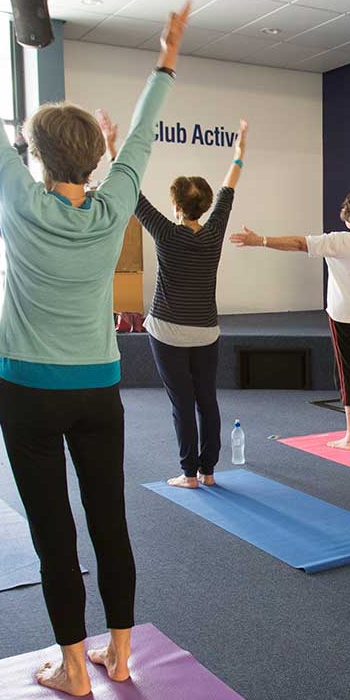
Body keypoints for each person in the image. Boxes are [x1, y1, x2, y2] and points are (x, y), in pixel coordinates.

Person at [0, 0, 183, 696]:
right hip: (98, 389)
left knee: (55, 534)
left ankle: (74, 667)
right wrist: (167, 59)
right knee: (110, 521)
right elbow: (141, 135)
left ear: (37, 158)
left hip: (27, 395)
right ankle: (121, 654)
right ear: (97, 156)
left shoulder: (18, 197)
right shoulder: (113, 208)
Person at [233, 192, 350, 449]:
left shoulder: (338, 241)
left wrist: (261, 240)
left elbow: (298, 243)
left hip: (345, 317)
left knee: (349, 374)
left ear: (348, 217)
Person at [138, 122, 246, 487]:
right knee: (206, 401)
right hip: (205, 332)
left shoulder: (165, 231)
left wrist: (111, 144)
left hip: (167, 331)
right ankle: (208, 471)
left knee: (181, 404)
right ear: (204, 206)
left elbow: (131, 191)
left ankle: (188, 474)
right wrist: (239, 151)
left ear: (176, 206)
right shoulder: (214, 231)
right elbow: (229, 188)